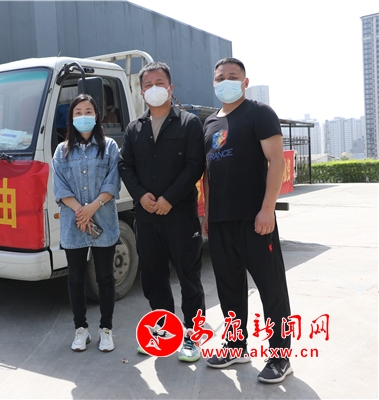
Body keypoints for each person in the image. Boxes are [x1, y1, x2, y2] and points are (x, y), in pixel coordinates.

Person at [202, 57, 293, 383]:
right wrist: (208, 215)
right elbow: (208, 174)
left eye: (232, 76)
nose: (225, 81)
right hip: (221, 221)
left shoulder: (259, 113)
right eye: (220, 77)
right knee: (229, 289)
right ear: (214, 83)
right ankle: (236, 345)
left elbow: (276, 162)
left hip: (255, 219)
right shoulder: (209, 124)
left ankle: (281, 356)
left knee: (271, 288)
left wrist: (267, 209)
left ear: (245, 82)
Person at [118, 62, 206, 362]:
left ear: (170, 88)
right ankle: (164, 332)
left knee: (188, 277)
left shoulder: (188, 124)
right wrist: (140, 195)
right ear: (142, 92)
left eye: (159, 83)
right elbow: (125, 166)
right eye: (148, 84)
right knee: (153, 278)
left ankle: (192, 336)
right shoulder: (135, 128)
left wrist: (169, 198)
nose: (154, 88)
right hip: (146, 217)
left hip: (180, 215)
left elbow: (195, 165)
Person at [52, 93, 121, 353]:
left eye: (88, 111)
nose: (83, 116)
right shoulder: (62, 150)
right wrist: (80, 211)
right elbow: (60, 186)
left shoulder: (110, 146)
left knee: (105, 278)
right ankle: (80, 329)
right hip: (74, 223)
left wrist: (92, 207)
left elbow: (113, 182)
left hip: (103, 219)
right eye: (78, 112)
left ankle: (106, 329)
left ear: (97, 116)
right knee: (75, 278)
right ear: (71, 118)